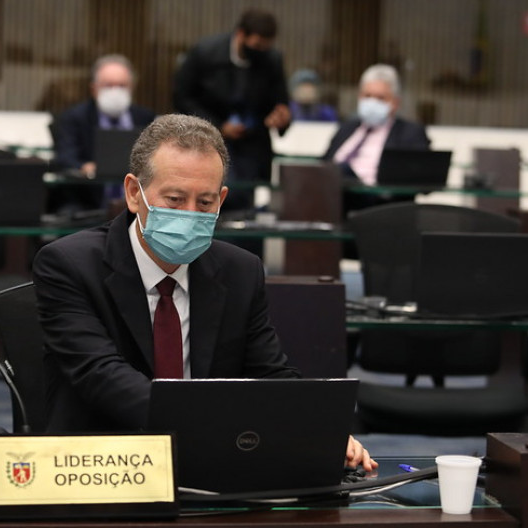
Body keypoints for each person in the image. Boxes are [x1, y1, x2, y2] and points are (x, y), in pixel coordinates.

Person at [33, 113, 376, 471]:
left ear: (222, 199)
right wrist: (212, 425)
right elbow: (101, 375)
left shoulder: (240, 271)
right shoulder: (68, 264)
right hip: (103, 464)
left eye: (206, 203)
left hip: (211, 465)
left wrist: (319, 429)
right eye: (176, 199)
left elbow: (270, 375)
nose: (190, 214)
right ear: (135, 193)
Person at [173, 9, 291, 218]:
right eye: (256, 47)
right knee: (213, 198)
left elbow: (280, 103)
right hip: (209, 141)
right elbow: (182, 98)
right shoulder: (204, 53)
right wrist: (217, 126)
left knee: (246, 208)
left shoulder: (272, 60)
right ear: (240, 35)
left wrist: (281, 118)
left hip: (252, 147)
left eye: (265, 48)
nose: (260, 52)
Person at [51, 54, 156, 213]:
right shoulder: (73, 118)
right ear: (94, 89)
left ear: (132, 87)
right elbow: (64, 157)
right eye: (108, 85)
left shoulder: (145, 117)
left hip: (137, 203)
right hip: (87, 203)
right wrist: (84, 167)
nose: (115, 91)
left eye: (122, 85)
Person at [322, 63, 431, 216]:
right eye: (367, 96)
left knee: (342, 171)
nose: (372, 102)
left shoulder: (410, 133)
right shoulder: (346, 128)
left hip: (381, 205)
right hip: (334, 202)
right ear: (359, 97)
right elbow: (323, 165)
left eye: (380, 98)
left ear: (395, 102)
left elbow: (424, 182)